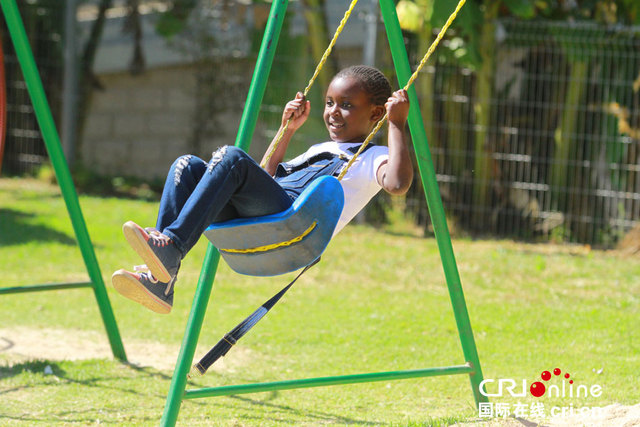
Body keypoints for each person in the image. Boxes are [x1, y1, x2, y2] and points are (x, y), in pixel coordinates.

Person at [112, 65, 414, 314]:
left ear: (376, 114)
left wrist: (396, 124)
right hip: (266, 211)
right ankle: (160, 279)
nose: (334, 112)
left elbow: (398, 185)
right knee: (186, 165)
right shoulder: (319, 148)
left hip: (292, 225)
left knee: (230, 158)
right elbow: (265, 175)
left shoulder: (372, 157)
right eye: (330, 103)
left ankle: (172, 247)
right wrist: (288, 130)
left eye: (346, 106)